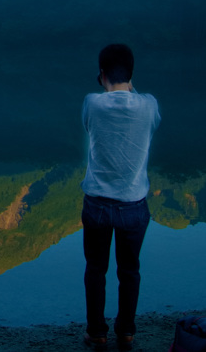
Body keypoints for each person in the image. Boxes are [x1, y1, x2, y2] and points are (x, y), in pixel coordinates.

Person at [80, 44, 161, 351]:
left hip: (98, 204)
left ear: (101, 75)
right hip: (133, 205)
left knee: (95, 270)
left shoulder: (92, 103)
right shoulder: (149, 105)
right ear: (131, 74)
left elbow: (89, 127)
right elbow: (149, 121)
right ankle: (125, 332)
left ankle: (97, 332)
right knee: (129, 271)